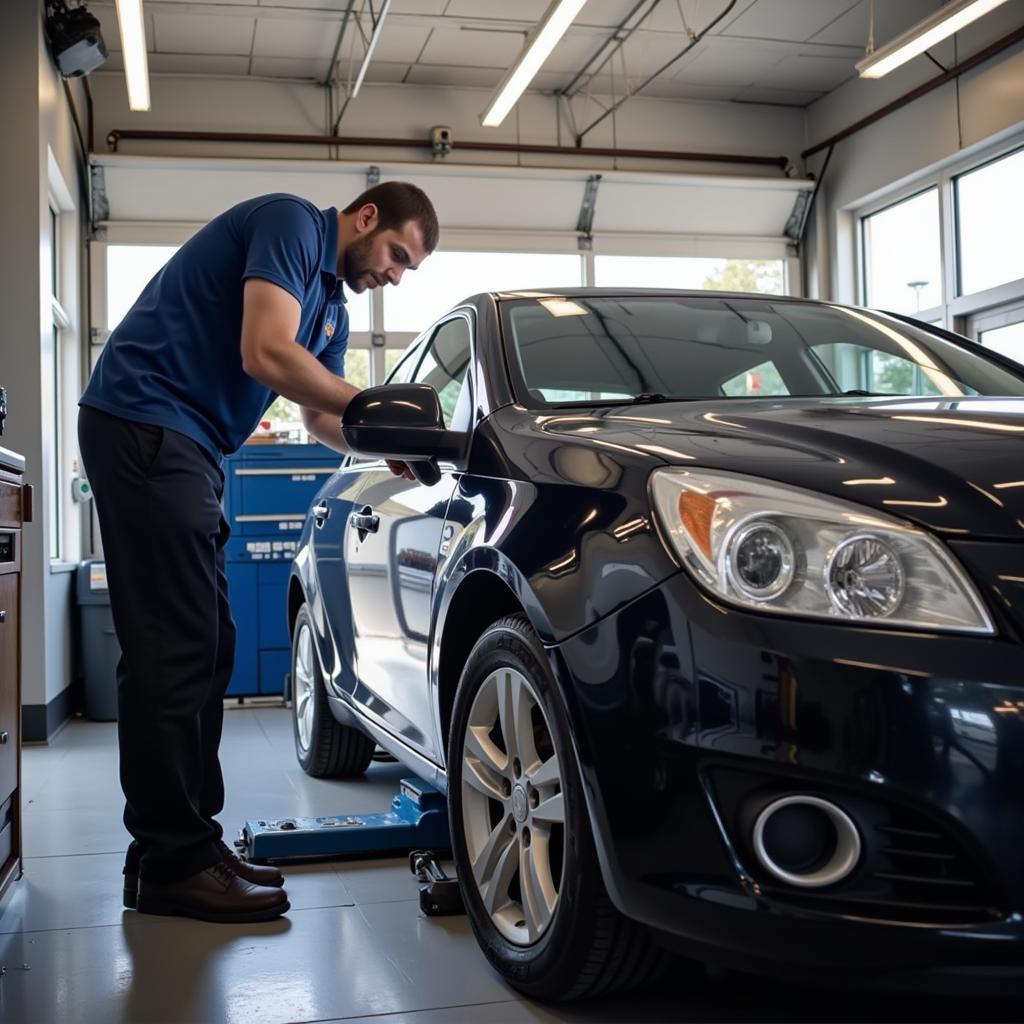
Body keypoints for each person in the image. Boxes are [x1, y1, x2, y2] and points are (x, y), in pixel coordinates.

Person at [77, 182, 439, 923]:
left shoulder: (330, 304)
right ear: (366, 218)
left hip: (191, 443)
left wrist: (384, 441)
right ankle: (175, 860)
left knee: (205, 645)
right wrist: (375, 406)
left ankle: (173, 852)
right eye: (397, 255)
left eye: (408, 270)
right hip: (148, 419)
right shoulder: (292, 224)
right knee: (175, 647)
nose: (394, 277)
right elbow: (264, 351)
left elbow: (317, 416)